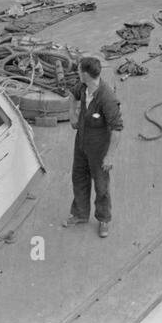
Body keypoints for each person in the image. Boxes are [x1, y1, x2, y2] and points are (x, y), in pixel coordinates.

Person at [61, 56, 122, 239]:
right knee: (79, 177)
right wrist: (72, 115)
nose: (77, 73)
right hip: (81, 143)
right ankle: (80, 214)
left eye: (79, 71)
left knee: (101, 186)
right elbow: (72, 95)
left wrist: (109, 157)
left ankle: (104, 219)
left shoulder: (107, 97)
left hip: (99, 149)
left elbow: (117, 129)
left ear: (86, 74)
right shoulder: (83, 87)